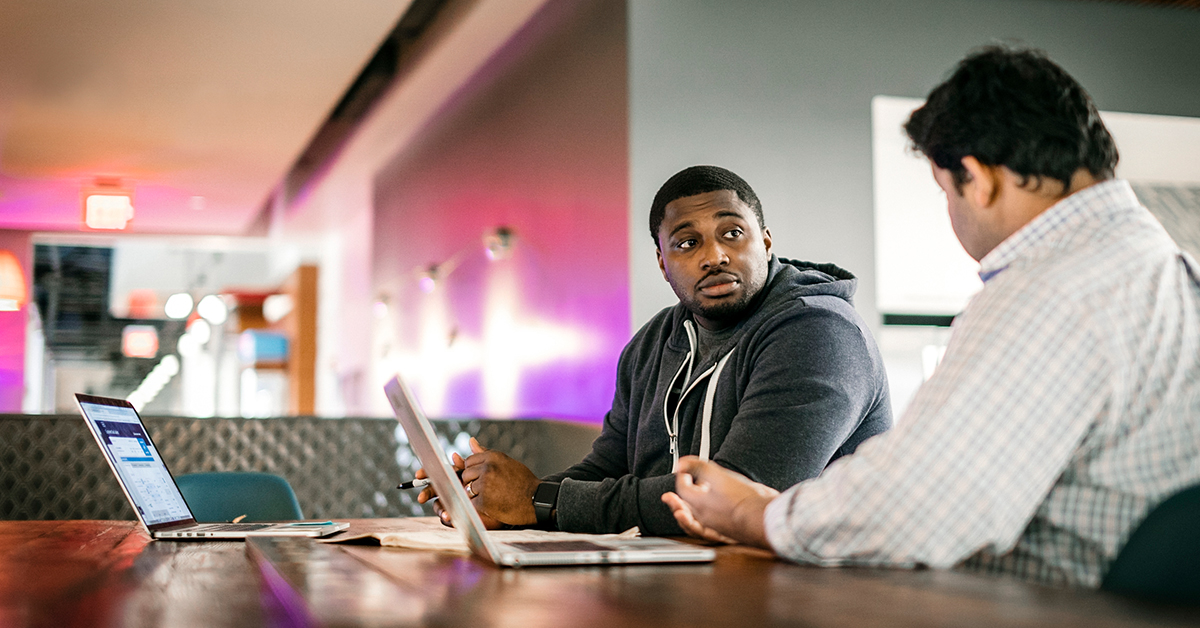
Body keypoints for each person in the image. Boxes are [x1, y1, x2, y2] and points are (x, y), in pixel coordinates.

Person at [664, 46, 1200, 587]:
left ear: (977, 177)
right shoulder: (1166, 270)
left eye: (946, 191)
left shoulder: (1050, 288)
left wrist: (754, 515)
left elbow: (917, 508)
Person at [419, 165, 892, 535]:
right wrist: (498, 497)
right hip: (690, 583)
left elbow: (731, 499)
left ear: (766, 243)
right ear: (663, 264)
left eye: (733, 233)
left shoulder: (818, 331)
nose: (715, 255)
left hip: (813, 596)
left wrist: (539, 501)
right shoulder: (651, 344)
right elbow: (608, 466)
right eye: (688, 243)